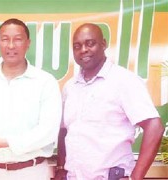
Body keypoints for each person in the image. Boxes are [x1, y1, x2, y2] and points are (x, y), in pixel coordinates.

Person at [55, 23, 164, 180]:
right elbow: (64, 130)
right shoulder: (70, 87)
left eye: (90, 43)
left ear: (104, 44)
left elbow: (154, 126)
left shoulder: (124, 81)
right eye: (77, 46)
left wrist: (136, 177)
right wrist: (60, 167)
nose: (83, 49)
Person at [0, 18, 62, 180]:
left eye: (17, 39)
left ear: (28, 43)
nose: (11, 45)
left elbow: (48, 131)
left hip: (32, 171)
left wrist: (5, 142)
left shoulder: (45, 82)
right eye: (5, 39)